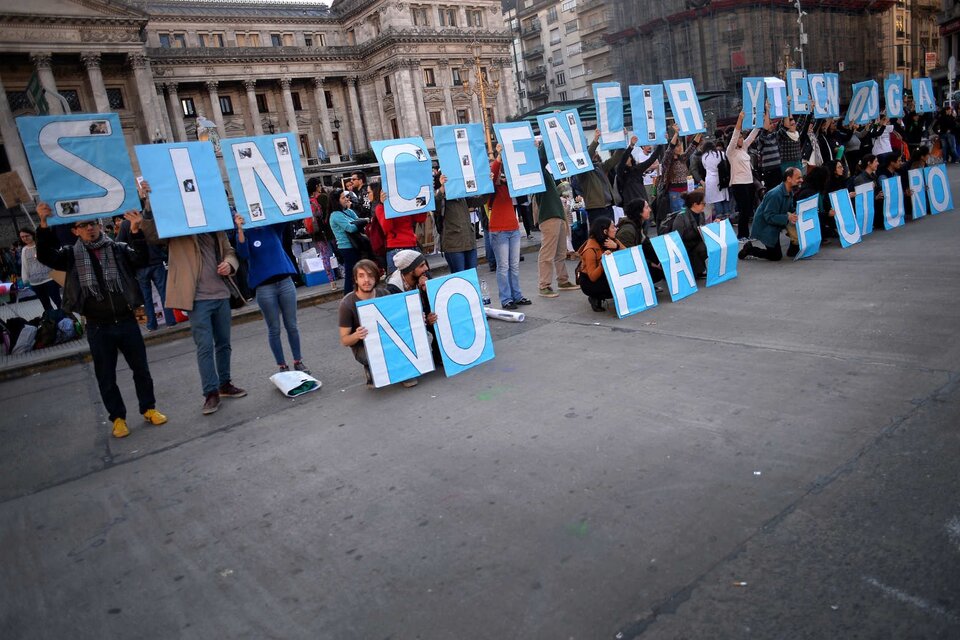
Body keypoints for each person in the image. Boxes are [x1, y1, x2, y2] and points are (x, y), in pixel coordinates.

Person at [35, 202, 166, 438]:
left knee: (141, 370)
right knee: (106, 377)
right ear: (75, 231)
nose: (89, 229)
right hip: (97, 326)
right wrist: (43, 224)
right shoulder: (70, 255)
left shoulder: (117, 248)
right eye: (83, 226)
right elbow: (46, 256)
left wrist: (135, 230)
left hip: (126, 321)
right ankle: (118, 418)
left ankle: (148, 409)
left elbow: (140, 259)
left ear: (100, 225)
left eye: (92, 224)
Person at [139, 182, 246, 416]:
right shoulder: (177, 231)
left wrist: (229, 264)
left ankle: (224, 383)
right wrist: (147, 204)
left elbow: (230, 251)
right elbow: (152, 234)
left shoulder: (215, 227)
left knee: (224, 343)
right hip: (197, 299)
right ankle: (210, 393)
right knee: (205, 346)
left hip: (221, 293)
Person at [234, 215, 309, 374]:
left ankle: (298, 361)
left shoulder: (272, 227)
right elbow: (243, 254)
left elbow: (283, 216)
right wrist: (240, 228)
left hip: (285, 282)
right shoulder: (246, 233)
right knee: (274, 328)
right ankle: (282, 365)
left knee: (292, 325)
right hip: (264, 287)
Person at [339, 259, 419, 389]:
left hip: (388, 341)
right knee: (371, 355)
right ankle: (371, 367)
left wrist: (415, 318)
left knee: (417, 336)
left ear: (376, 278)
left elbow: (398, 321)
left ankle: (402, 370)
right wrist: (357, 335)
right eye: (361, 276)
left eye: (370, 275)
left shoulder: (384, 294)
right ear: (355, 279)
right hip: (363, 346)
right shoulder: (347, 304)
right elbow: (344, 340)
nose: (366, 280)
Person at [116, 217, 176, 332]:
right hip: (156, 261)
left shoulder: (125, 224)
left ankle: (151, 325)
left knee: (146, 297)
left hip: (140, 265)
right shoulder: (147, 218)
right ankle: (170, 320)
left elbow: (119, 243)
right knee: (164, 292)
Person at [536, 142, 579, 297]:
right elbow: (542, 157)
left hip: (558, 216)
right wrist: (544, 141)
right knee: (547, 253)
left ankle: (563, 280)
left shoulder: (547, 174)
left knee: (561, 252)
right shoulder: (539, 171)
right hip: (549, 217)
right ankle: (544, 285)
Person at [489, 149, 531, 310]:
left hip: (513, 229)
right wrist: (499, 157)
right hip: (499, 230)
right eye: (501, 173)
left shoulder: (509, 187)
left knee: (514, 265)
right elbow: (494, 171)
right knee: (503, 266)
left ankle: (517, 296)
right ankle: (506, 299)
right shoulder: (492, 187)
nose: (502, 175)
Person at [739, 167, 803, 261]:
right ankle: (750, 249)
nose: (801, 180)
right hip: (765, 226)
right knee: (775, 256)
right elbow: (768, 216)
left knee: (794, 226)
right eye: (798, 178)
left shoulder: (789, 191)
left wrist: (800, 210)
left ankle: (793, 250)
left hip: (775, 223)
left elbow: (789, 208)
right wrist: (787, 217)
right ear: (789, 179)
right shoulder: (775, 194)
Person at [435, 174, 486, 273]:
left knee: (472, 278)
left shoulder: (462, 196)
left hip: (469, 243)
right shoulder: (441, 198)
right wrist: (443, 188)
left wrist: (488, 184)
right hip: (454, 246)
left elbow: (480, 200)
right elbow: (435, 205)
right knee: (460, 278)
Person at [377, 181, 426, 276]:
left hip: (412, 245)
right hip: (396, 249)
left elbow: (420, 218)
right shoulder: (380, 207)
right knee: (398, 284)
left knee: (421, 280)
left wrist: (422, 197)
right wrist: (386, 205)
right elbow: (387, 227)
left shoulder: (406, 202)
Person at [579, 129, 626, 224]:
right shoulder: (581, 171)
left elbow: (614, 159)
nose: (595, 154)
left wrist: (622, 140)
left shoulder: (599, 166)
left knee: (611, 234)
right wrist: (596, 139)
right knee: (599, 235)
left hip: (608, 207)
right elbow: (587, 157)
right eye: (594, 152)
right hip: (596, 209)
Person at [577, 217, 623, 312]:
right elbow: (593, 277)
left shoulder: (612, 240)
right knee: (618, 286)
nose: (616, 229)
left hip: (606, 275)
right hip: (590, 282)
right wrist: (603, 262)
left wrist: (617, 247)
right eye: (613, 227)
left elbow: (629, 255)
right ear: (605, 231)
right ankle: (595, 297)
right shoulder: (590, 249)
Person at [728, 111, 761, 240]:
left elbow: (753, 134)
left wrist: (760, 120)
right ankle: (742, 235)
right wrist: (740, 119)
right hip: (738, 183)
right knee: (744, 210)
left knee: (749, 210)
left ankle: (746, 234)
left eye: (742, 137)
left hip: (749, 182)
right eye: (739, 138)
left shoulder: (744, 148)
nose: (741, 139)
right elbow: (735, 135)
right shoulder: (731, 151)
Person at [615, 198, 664, 284]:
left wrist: (663, 255)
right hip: (623, 267)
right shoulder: (628, 230)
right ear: (639, 212)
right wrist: (651, 264)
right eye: (646, 207)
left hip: (632, 260)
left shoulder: (637, 224)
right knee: (658, 272)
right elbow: (628, 257)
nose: (650, 210)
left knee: (661, 258)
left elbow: (648, 244)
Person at [329, 188, 367, 295]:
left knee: (359, 273)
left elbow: (357, 221)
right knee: (351, 275)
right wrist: (363, 221)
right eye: (343, 197)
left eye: (346, 196)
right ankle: (348, 297)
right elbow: (350, 228)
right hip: (347, 248)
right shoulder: (335, 215)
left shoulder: (348, 211)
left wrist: (360, 222)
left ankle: (358, 295)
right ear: (337, 201)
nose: (346, 199)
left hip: (357, 245)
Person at [19, 227, 62, 313]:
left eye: (27, 236)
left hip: (49, 278)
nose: (25, 238)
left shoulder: (41, 245)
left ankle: (67, 319)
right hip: (35, 282)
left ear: (32, 235)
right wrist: (25, 279)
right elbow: (25, 265)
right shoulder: (24, 250)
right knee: (46, 305)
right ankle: (53, 322)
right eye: (22, 237)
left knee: (58, 301)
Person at [306, 177, 338, 291]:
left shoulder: (307, 201)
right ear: (317, 186)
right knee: (339, 253)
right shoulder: (323, 197)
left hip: (317, 233)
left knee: (325, 257)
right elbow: (331, 211)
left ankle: (332, 282)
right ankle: (346, 274)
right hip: (329, 231)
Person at [616, 136, 663, 207]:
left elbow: (651, 160)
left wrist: (661, 145)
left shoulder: (637, 169)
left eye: (629, 156)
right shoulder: (621, 173)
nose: (627, 158)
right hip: (631, 204)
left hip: (643, 201)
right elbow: (623, 161)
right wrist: (631, 146)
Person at [670, 190, 708, 278]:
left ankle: (699, 268)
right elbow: (676, 237)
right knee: (703, 247)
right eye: (703, 203)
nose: (704, 205)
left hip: (696, 241)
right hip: (686, 245)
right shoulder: (681, 216)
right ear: (695, 204)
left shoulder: (701, 214)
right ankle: (696, 269)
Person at [699, 141, 731, 223]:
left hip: (710, 180)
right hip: (722, 178)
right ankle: (727, 216)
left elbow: (705, 167)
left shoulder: (704, 157)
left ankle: (719, 217)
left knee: (716, 200)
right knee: (724, 198)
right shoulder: (721, 154)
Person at [757, 108, 783, 191]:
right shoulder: (761, 139)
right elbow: (764, 130)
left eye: (772, 123)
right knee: (772, 192)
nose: (771, 125)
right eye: (769, 123)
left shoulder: (774, 136)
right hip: (769, 171)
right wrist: (767, 111)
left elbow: (785, 127)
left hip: (778, 168)